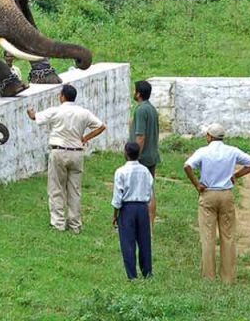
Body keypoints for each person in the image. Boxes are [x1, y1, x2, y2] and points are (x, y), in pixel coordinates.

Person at [26, 84, 106, 234]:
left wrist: (29, 109)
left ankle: (58, 223)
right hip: (77, 153)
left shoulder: (56, 111)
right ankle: (75, 224)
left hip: (59, 151)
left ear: (62, 96)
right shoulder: (83, 113)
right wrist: (85, 138)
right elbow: (101, 126)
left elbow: (34, 117)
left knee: (56, 188)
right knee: (74, 190)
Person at [183, 123, 250, 283]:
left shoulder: (203, 151)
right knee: (228, 236)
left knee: (207, 237)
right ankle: (228, 277)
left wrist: (197, 184)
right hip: (226, 195)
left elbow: (187, 166)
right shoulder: (232, 151)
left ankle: (208, 276)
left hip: (208, 194)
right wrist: (236, 175)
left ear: (209, 136)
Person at [112, 141, 154, 280]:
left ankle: (132, 276)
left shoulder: (121, 171)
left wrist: (115, 215)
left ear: (126, 153)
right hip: (142, 207)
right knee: (144, 241)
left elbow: (117, 196)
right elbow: (150, 189)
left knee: (128, 243)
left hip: (127, 208)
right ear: (139, 153)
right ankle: (147, 272)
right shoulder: (145, 171)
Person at [130, 80, 160, 227]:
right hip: (152, 155)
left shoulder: (141, 110)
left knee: (139, 191)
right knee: (149, 189)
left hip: (142, 157)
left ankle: (143, 224)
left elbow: (140, 136)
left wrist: (134, 157)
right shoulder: (152, 109)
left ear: (138, 94)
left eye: (134, 90)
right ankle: (149, 225)